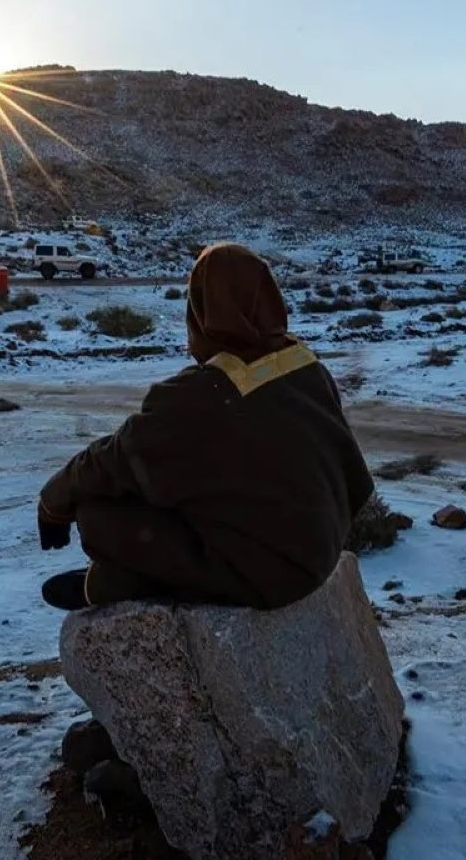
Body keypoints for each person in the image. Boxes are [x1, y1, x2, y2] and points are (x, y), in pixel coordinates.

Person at [35, 242, 373, 611]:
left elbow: (116, 458)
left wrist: (53, 502)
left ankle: (122, 581)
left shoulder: (203, 392)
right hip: (321, 548)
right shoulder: (306, 366)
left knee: (97, 511)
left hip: (272, 575)